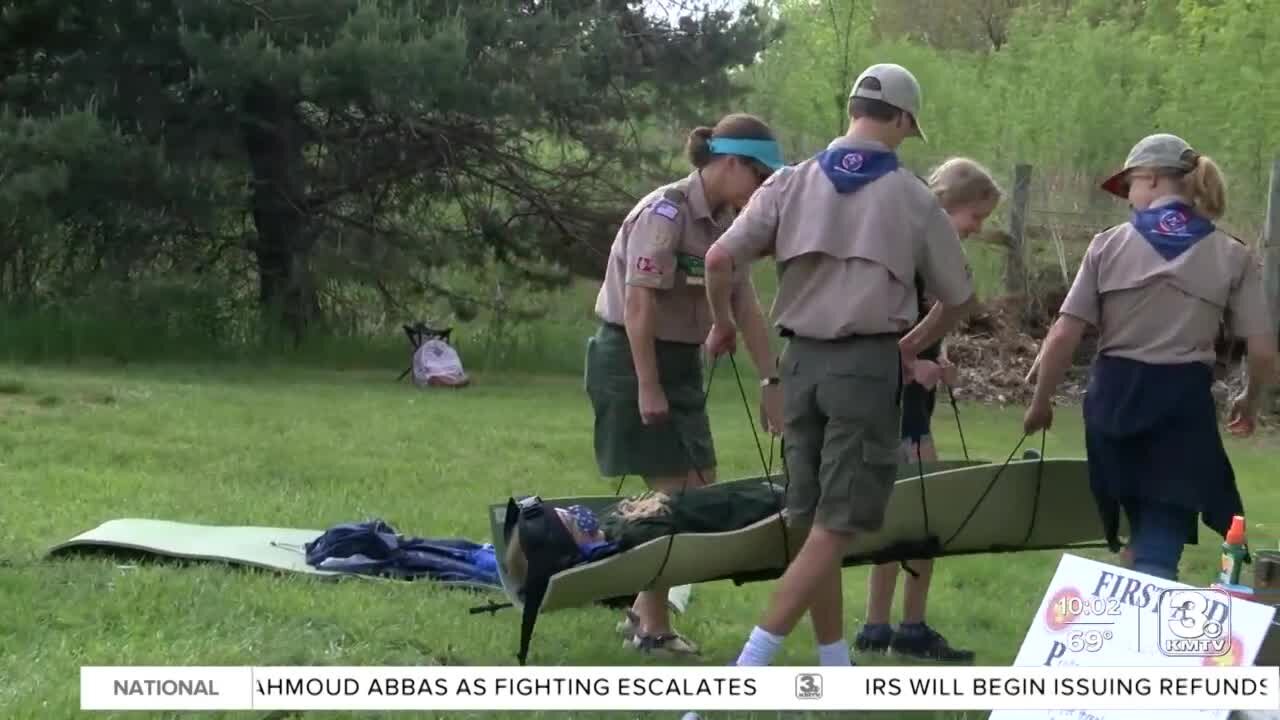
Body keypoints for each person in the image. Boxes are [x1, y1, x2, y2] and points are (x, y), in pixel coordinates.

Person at [701, 63, 978, 667]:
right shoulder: (913, 197)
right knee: (837, 526)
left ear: (854, 109)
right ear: (902, 119)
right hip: (865, 367)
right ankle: (748, 667)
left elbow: (720, 258)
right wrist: (911, 345)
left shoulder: (790, 183)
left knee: (811, 521)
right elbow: (959, 297)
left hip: (799, 363)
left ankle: (834, 665)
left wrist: (722, 323)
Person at [1023, 133, 1276, 582]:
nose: (1129, 200)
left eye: (1131, 188)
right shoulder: (1232, 254)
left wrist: (1041, 402)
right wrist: (1249, 400)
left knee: (1133, 521)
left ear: (1153, 180)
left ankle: (1137, 629)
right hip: (1182, 403)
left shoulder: (1107, 245)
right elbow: (1262, 350)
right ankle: (1150, 629)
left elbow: (1064, 333)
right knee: (1162, 524)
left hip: (1114, 397)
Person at [585, 113, 787, 656]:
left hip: (681, 361)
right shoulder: (665, 212)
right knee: (673, 494)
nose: (765, 185)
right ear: (726, 163)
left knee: (697, 488)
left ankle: (643, 609)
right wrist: (648, 386)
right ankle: (650, 627)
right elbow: (637, 303)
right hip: (633, 357)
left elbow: (744, 301)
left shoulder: (728, 221)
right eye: (759, 173)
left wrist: (771, 379)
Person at [854, 157, 1002, 663]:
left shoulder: (915, 243)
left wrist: (940, 355)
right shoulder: (917, 246)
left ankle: (877, 626)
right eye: (974, 217)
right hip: (900, 400)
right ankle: (909, 627)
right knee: (922, 513)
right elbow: (889, 320)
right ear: (948, 204)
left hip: (905, 393)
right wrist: (913, 359)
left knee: (898, 510)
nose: (977, 229)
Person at [501, 478, 789, 592]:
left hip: (756, 498)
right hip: (770, 508)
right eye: (573, 520)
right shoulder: (635, 540)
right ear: (578, 547)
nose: (578, 512)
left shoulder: (611, 528)